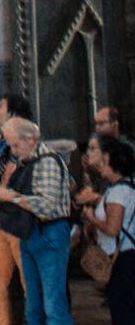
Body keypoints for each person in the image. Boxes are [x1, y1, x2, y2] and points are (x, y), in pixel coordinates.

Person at [0, 118, 74, 325]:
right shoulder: (25, 161)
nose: (13, 150)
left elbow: (48, 206)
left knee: (53, 305)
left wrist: (10, 196)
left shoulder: (48, 160)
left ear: (31, 139)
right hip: (29, 232)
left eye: (16, 144)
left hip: (49, 232)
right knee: (33, 305)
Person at [0, 94, 33, 325]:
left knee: (28, 282)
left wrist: (0, 186)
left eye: (0, 106)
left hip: (21, 220)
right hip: (2, 220)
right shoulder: (0, 144)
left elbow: (20, 171)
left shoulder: (23, 140)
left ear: (12, 113)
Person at [81, 134, 135, 325]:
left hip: (123, 259)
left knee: (123, 312)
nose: (101, 166)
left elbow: (112, 228)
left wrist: (91, 218)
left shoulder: (117, 192)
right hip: (126, 256)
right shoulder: (127, 187)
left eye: (104, 162)